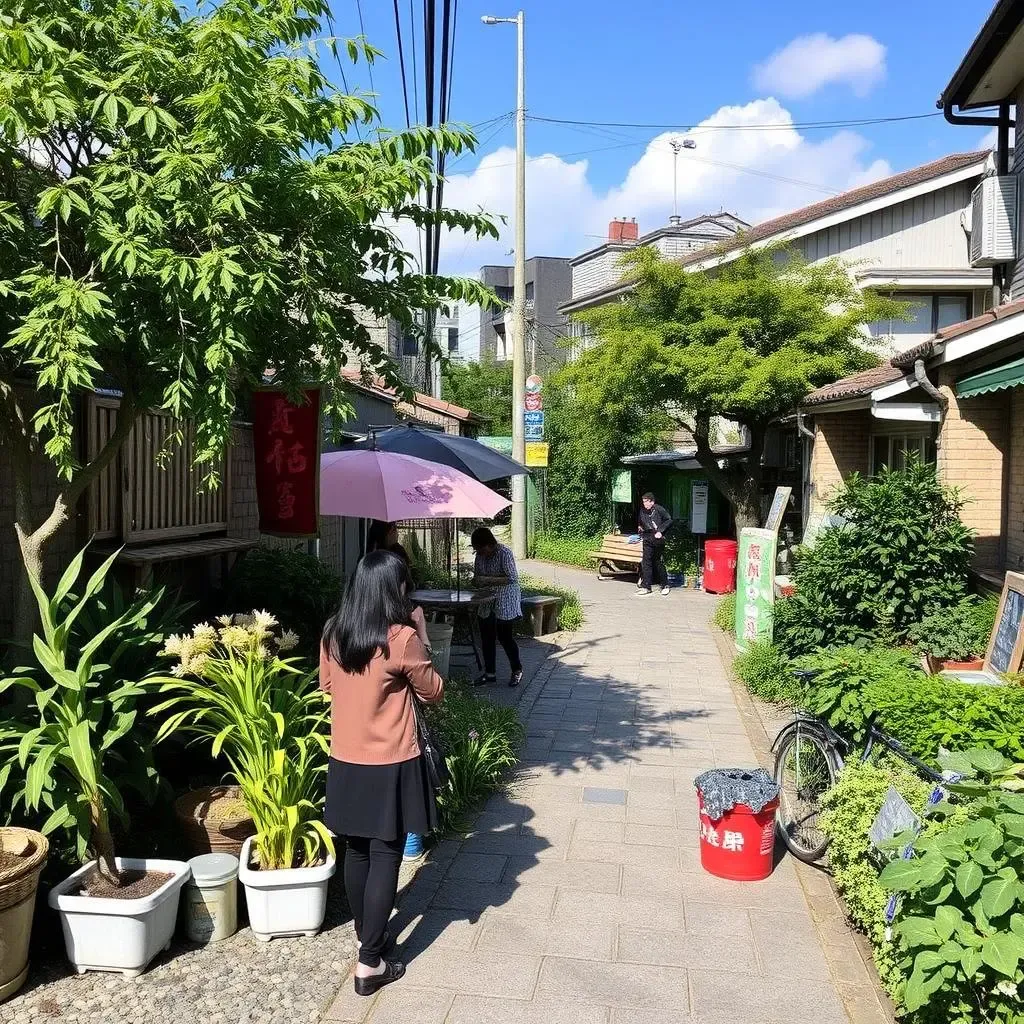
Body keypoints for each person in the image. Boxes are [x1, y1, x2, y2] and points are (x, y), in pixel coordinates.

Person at [320, 550, 444, 997]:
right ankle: (370, 963)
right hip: (391, 759)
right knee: (386, 852)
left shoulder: (335, 632)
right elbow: (433, 693)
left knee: (357, 851)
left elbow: (329, 685)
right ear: (396, 591)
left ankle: (366, 935)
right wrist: (422, 633)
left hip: (346, 758)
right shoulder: (401, 637)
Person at [470, 526, 523, 687]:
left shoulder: (504, 553)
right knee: (486, 637)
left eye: (482, 548)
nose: (480, 553)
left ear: (489, 544)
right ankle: (489, 673)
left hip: (505, 597)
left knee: (505, 637)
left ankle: (516, 670)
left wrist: (487, 580)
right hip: (486, 598)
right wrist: (476, 581)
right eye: (477, 550)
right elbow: (477, 576)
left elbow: (512, 578)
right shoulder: (479, 555)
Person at [637, 491, 672, 597]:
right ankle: (646, 587)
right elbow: (641, 522)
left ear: (652, 501)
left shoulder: (659, 509)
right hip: (647, 538)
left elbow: (669, 520)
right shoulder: (642, 511)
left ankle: (665, 585)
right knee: (646, 562)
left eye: (647, 502)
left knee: (658, 562)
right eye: (643, 502)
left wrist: (660, 531)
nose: (645, 504)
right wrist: (640, 530)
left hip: (658, 539)